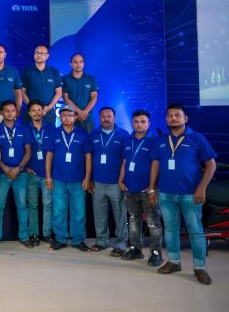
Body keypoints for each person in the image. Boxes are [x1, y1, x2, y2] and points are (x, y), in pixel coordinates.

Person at [149, 104, 217, 285]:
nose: (173, 118)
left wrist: (202, 188)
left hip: (190, 194)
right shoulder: (161, 139)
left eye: (177, 115)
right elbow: (155, 165)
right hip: (166, 194)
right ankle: (174, 261)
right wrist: (152, 188)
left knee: (195, 231)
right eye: (170, 115)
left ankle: (200, 267)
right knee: (170, 229)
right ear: (166, 119)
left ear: (185, 118)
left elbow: (211, 164)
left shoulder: (197, 138)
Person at [45, 105, 92, 252]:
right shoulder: (54, 133)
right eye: (64, 115)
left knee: (79, 211)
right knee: (59, 210)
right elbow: (49, 156)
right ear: (60, 117)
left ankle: (78, 240)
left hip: (78, 180)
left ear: (75, 117)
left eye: (70, 115)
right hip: (58, 179)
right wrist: (48, 177)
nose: (67, 118)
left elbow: (88, 157)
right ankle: (60, 239)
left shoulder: (83, 134)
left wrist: (87, 178)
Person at [119, 109, 163, 267]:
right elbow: (125, 162)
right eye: (136, 121)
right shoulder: (127, 139)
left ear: (149, 123)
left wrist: (153, 187)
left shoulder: (155, 140)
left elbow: (158, 165)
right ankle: (135, 248)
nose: (139, 124)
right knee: (133, 220)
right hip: (130, 188)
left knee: (152, 222)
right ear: (132, 123)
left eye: (143, 121)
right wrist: (120, 180)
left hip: (147, 190)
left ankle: (156, 252)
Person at [88, 107, 129, 256]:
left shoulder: (123, 135)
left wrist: (122, 180)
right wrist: (89, 178)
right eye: (103, 116)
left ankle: (121, 243)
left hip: (116, 183)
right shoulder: (93, 134)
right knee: (99, 213)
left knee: (120, 213)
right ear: (99, 118)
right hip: (98, 182)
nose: (106, 118)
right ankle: (101, 241)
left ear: (114, 118)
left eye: (109, 116)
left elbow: (126, 159)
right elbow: (89, 157)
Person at [0, 100, 32, 248]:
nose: (9, 113)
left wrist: (18, 168)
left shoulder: (23, 129)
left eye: (12, 111)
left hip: (20, 174)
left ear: (16, 113)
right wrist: (4, 168)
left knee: (22, 206)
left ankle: (24, 236)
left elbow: (28, 152)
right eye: (6, 111)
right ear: (2, 113)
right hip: (2, 173)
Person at [25, 100, 54, 246]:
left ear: (43, 111)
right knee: (32, 205)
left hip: (47, 174)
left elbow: (55, 151)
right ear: (29, 113)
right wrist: (25, 168)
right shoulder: (24, 128)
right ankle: (34, 233)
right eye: (33, 110)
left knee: (48, 205)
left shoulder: (52, 128)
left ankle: (47, 234)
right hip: (31, 174)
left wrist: (50, 174)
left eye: (39, 110)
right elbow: (20, 150)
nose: (37, 113)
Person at [21, 45, 62, 122]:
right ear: (34, 55)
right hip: (31, 114)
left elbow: (59, 92)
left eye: (42, 53)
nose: (39, 55)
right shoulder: (27, 71)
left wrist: (49, 107)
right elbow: (22, 91)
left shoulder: (54, 72)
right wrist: (32, 107)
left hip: (48, 113)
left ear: (47, 56)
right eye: (37, 53)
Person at [61, 53, 98, 132]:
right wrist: (79, 112)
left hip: (87, 118)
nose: (78, 64)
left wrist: (84, 112)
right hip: (72, 118)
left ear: (83, 63)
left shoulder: (91, 79)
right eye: (75, 62)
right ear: (71, 64)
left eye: (81, 62)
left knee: (89, 140)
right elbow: (66, 98)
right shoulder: (65, 79)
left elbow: (94, 97)